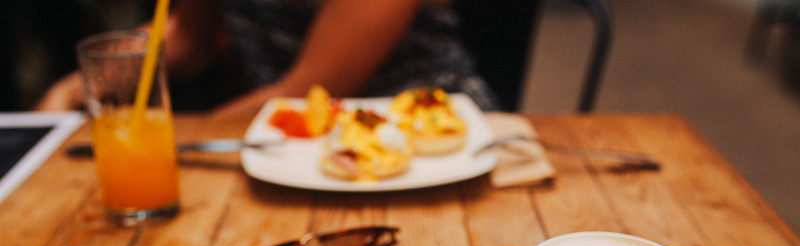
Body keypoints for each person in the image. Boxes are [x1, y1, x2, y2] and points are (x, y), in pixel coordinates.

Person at [36, 0, 499, 117]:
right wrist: (78, 86)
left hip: (432, 133)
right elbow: (184, 34)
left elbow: (306, 92)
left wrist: (169, 142)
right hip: (289, 153)